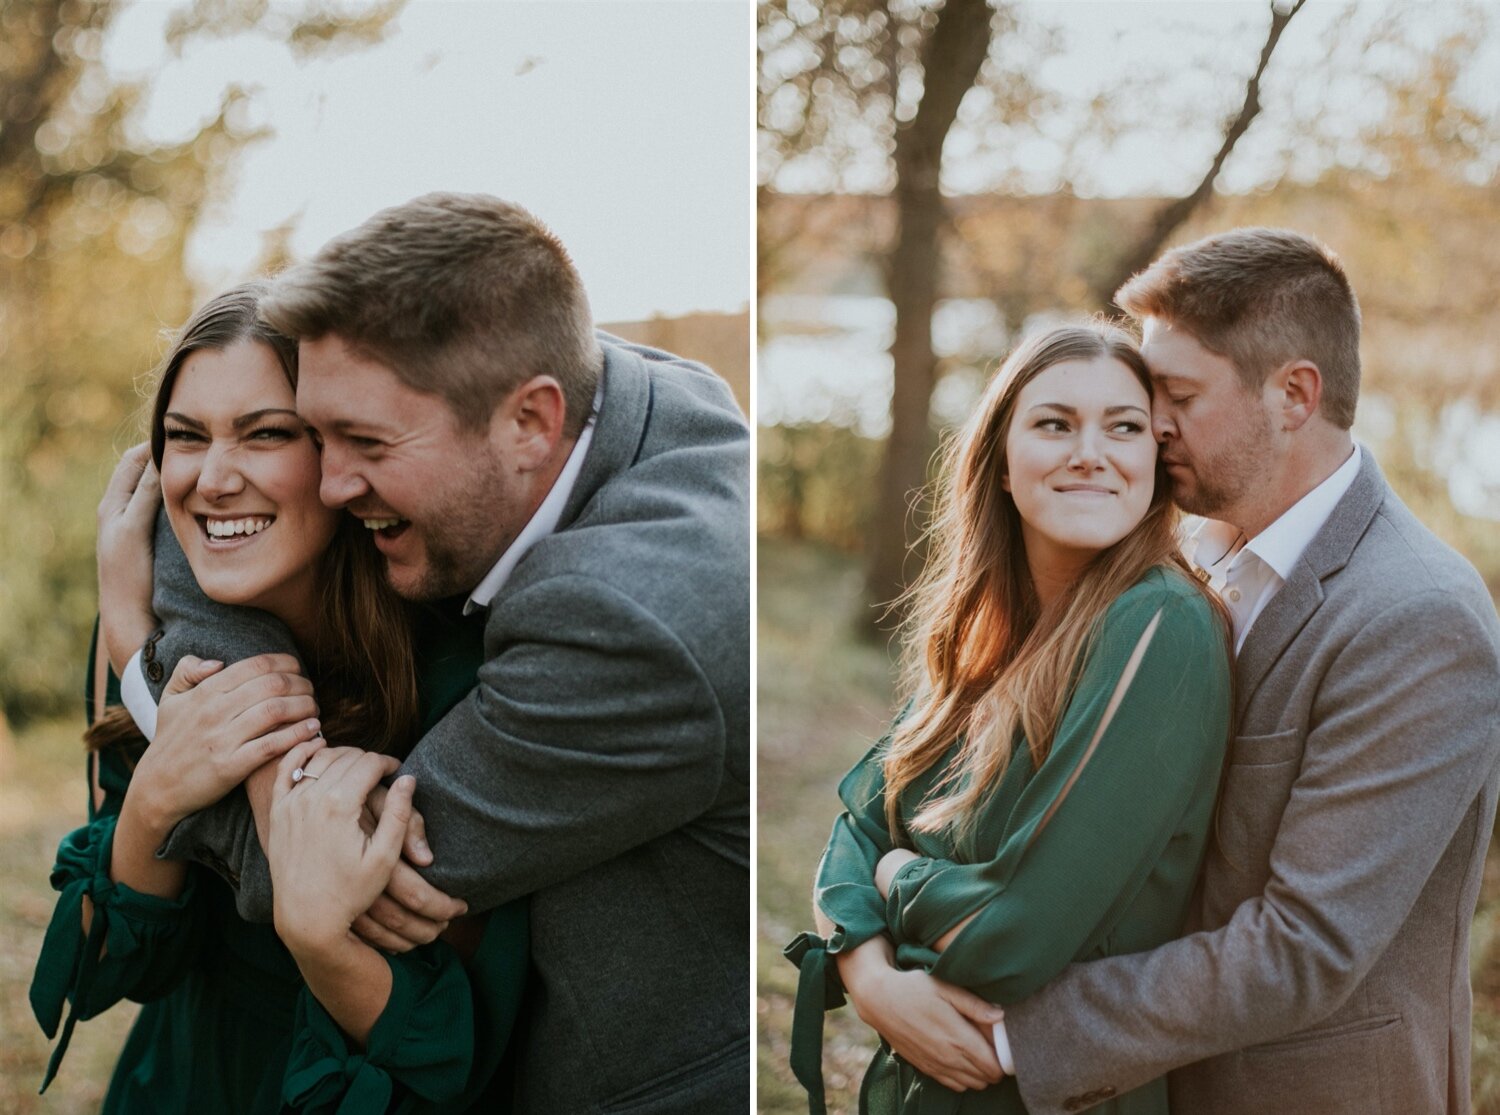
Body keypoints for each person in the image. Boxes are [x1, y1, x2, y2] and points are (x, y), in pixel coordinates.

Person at [98, 193, 752, 1113]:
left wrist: (142, 660)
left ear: (532, 422)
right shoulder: (634, 391)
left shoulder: (624, 625)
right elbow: (208, 499)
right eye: (316, 434)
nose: (329, 484)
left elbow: (351, 877)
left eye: (362, 443)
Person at [836, 229, 1500, 1115]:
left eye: (1175, 397)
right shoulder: (1166, 545)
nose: (1152, 427)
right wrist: (872, 971)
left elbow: (1301, 947)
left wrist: (1006, 1035)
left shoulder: (1417, 618)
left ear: (1294, 394)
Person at [30, 282, 528, 1113]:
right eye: (186, 437)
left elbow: (451, 1053)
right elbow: (118, 967)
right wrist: (155, 795)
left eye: (265, 435)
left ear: (340, 457)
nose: (214, 479)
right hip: (180, 1083)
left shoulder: (461, 672)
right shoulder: (146, 636)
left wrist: (314, 926)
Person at [786, 322, 1234, 1114]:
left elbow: (1006, 938)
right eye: (1055, 424)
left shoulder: (1159, 626)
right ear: (999, 459)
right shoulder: (994, 635)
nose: (1090, 452)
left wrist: (893, 874)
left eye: (1123, 427)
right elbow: (857, 825)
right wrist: (874, 977)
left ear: (1154, 464)